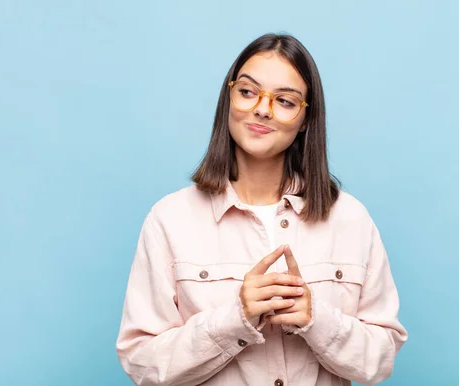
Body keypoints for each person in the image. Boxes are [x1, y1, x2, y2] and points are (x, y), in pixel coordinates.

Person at [116, 33, 408, 386]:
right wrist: (234, 319)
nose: (262, 109)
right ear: (229, 98)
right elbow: (142, 363)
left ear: (306, 120)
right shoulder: (169, 219)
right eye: (248, 92)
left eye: (285, 101)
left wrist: (316, 319)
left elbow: (381, 360)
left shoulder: (350, 219)